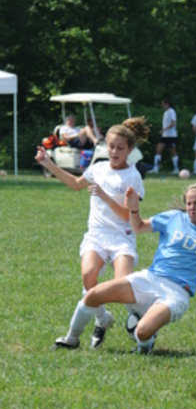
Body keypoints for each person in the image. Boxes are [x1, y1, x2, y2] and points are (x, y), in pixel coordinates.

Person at [53, 183, 196, 354]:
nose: (192, 208)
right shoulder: (173, 218)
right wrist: (133, 209)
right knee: (93, 295)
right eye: (189, 203)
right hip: (150, 278)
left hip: (177, 293)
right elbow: (139, 227)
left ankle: (145, 345)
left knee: (142, 332)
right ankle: (71, 339)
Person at [35, 118, 149, 349]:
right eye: (111, 146)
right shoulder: (98, 168)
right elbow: (76, 183)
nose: (114, 152)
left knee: (122, 284)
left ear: (129, 150)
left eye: (120, 148)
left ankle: (141, 324)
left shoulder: (133, 176)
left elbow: (127, 216)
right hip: (97, 235)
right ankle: (102, 320)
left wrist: (105, 196)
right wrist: (48, 163)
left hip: (122, 237)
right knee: (88, 276)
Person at [150, 99, 179, 174]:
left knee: (173, 151)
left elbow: (173, 123)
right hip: (165, 135)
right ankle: (156, 168)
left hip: (171, 135)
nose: (162, 105)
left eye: (163, 104)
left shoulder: (172, 111)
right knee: (158, 149)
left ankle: (176, 168)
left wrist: (164, 129)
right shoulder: (166, 112)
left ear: (167, 104)